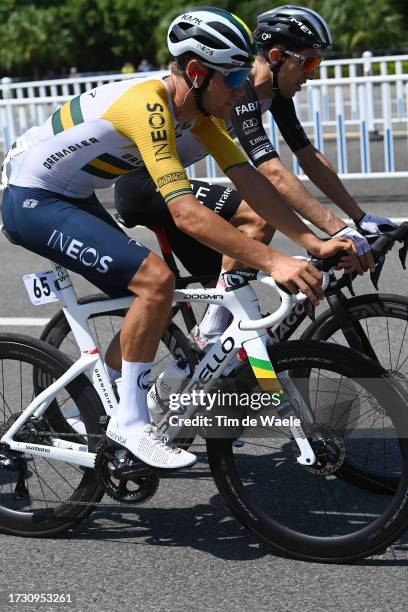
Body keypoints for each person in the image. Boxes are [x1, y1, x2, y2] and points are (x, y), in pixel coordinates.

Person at [1, 7, 354, 470]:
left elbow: (252, 184)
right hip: (32, 199)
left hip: (75, 194)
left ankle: (100, 402)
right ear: (195, 72)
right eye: (230, 77)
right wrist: (274, 262)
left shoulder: (203, 114)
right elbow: (186, 214)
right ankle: (128, 422)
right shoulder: (149, 104)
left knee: (155, 298)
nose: (240, 88)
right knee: (155, 281)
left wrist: (314, 244)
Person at [115, 5, 395, 352]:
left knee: (235, 300)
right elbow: (271, 171)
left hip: (167, 184)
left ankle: (214, 368)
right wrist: (335, 231)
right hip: (142, 185)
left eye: (317, 63)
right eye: (308, 62)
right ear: (277, 57)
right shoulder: (241, 88)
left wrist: (359, 217)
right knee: (257, 218)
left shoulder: (274, 96)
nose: (312, 74)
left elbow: (309, 158)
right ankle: (207, 339)